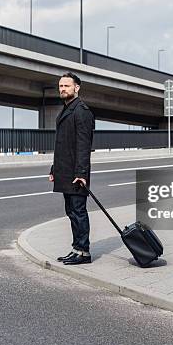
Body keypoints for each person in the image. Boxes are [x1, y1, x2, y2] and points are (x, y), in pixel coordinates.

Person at [49, 72, 95, 265]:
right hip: (65, 170)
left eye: (66, 86)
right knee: (71, 211)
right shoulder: (66, 110)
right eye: (60, 86)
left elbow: (84, 145)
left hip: (76, 174)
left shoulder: (81, 111)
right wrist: (54, 169)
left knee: (78, 211)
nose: (62, 89)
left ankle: (84, 252)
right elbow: (63, 144)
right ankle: (76, 248)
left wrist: (81, 173)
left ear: (76, 88)